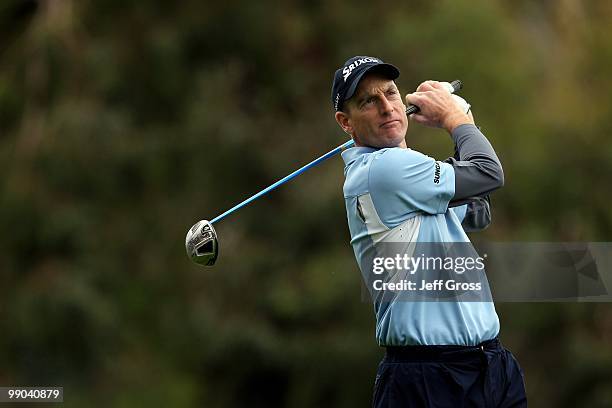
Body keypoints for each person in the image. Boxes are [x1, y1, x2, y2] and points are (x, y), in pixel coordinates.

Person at [331, 56, 527, 407]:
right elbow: (489, 173)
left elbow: (479, 210)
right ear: (346, 122)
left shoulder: (411, 172)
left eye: (390, 93)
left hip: (489, 366)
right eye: (368, 101)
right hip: (429, 377)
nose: (386, 107)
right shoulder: (382, 170)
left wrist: (464, 122)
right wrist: (456, 118)